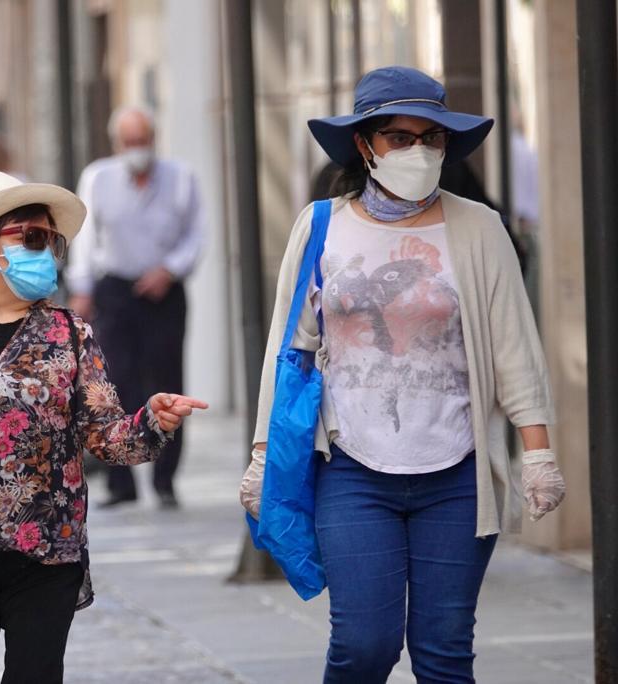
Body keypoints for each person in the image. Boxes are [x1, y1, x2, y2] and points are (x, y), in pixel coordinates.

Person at [239, 66, 565, 684]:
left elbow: (515, 348)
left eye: (431, 137)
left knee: (444, 655)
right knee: (364, 645)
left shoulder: (479, 227)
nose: (418, 150)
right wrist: (261, 453)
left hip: (458, 474)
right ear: (365, 145)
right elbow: (289, 353)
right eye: (399, 137)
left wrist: (539, 452)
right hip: (352, 469)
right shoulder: (321, 225)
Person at [0, 171, 207, 683]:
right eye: (30, 238)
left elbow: (106, 436)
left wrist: (152, 422)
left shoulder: (71, 334)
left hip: (47, 551)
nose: (45, 252)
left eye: (52, 241)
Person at [65, 105, 204, 509]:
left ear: (154, 139)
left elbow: (196, 234)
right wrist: (82, 289)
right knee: (113, 382)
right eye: (129, 142)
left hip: (165, 291)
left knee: (168, 380)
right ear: (116, 144)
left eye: (142, 141)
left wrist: (171, 269)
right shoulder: (98, 178)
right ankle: (120, 481)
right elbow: (87, 238)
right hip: (116, 290)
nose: (136, 149)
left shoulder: (181, 178)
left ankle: (165, 480)